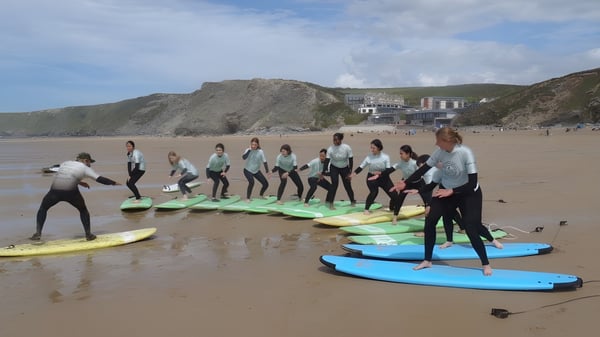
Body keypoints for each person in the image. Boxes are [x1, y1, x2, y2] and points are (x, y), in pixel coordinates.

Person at [391, 127, 502, 276]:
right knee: (430, 221)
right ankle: (427, 260)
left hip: (469, 193)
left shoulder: (465, 153)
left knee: (471, 227)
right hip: (446, 191)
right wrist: (407, 183)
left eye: (438, 140)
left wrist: (452, 191)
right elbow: (422, 171)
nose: (436, 144)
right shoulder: (439, 153)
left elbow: (472, 181)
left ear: (447, 140)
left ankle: (485, 263)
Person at [31, 152, 121, 241]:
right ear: (86, 160)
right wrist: (114, 183)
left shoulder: (65, 163)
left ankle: (38, 233)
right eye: (90, 162)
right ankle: (88, 235)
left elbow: (66, 174)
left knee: (43, 208)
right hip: (71, 193)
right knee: (83, 211)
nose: (90, 165)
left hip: (55, 191)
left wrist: (81, 183)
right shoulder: (85, 168)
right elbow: (100, 179)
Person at [403, 154, 465, 245]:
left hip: (454, 190)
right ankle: (463, 228)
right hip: (449, 190)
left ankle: (426, 232)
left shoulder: (430, 173)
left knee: (431, 212)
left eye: (420, 167)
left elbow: (430, 190)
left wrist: (429, 205)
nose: (420, 170)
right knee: (450, 210)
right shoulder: (432, 170)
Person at [348, 139, 398, 215]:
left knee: (394, 194)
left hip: (384, 177)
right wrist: (353, 174)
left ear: (379, 148)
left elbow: (388, 170)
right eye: (371, 147)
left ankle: (392, 208)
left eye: (373, 148)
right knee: (374, 192)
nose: (371, 150)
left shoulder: (385, 157)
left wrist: (379, 174)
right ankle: (366, 209)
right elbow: (361, 167)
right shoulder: (369, 157)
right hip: (371, 177)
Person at [323, 132, 356, 210]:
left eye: (336, 139)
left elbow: (350, 160)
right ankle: (331, 203)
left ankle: (352, 201)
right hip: (334, 167)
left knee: (347, 186)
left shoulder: (347, 147)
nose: (334, 141)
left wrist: (350, 172)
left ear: (340, 139)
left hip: (345, 168)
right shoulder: (330, 149)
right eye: (333, 139)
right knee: (334, 185)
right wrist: (324, 170)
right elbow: (327, 160)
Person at [390, 145, 419, 224]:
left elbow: (419, 174)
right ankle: (395, 217)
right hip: (406, 183)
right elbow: (390, 169)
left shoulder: (415, 163)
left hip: (418, 183)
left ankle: (429, 216)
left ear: (408, 154)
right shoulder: (400, 163)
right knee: (400, 199)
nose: (400, 155)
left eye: (401, 153)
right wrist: (381, 174)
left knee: (426, 199)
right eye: (400, 153)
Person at [242, 137, 269, 201]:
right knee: (251, 182)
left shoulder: (260, 151)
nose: (253, 146)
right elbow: (244, 158)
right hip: (247, 170)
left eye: (255, 145)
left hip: (256, 171)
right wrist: (249, 150)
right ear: (250, 144)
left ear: (258, 145)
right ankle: (248, 198)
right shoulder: (248, 150)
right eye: (252, 144)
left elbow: (264, 162)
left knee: (266, 184)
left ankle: (261, 195)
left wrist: (267, 171)